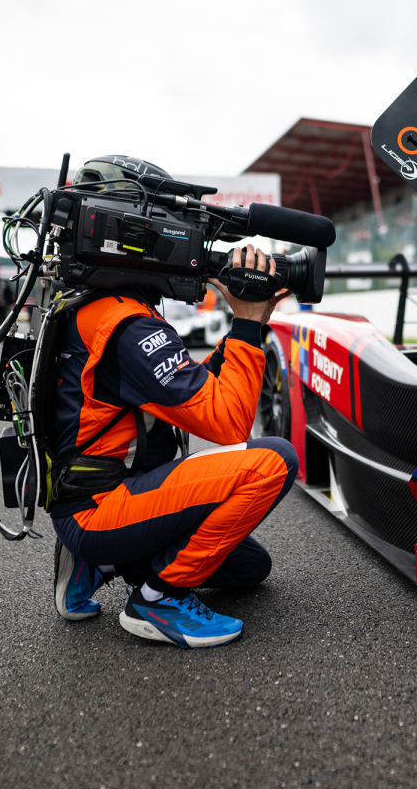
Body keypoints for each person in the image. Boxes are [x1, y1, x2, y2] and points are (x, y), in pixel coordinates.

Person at [49, 155, 298, 650]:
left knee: (251, 568)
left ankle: (99, 561)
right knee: (272, 462)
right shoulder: (126, 325)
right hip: (101, 507)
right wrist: (248, 326)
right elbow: (228, 424)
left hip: (90, 495)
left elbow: (186, 393)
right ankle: (155, 600)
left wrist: (244, 327)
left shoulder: (92, 307)